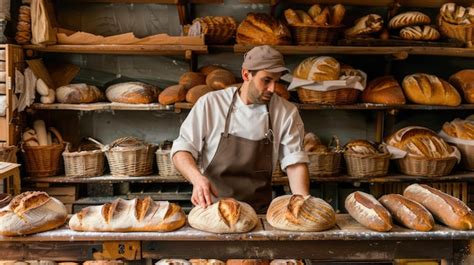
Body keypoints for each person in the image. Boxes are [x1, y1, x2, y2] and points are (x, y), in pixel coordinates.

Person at [171, 45, 310, 213]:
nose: (272, 89)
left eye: (277, 81)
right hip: (212, 211)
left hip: (258, 214)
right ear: (246, 74)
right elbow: (181, 150)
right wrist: (197, 180)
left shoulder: (285, 112)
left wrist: (303, 204)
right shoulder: (212, 104)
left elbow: (295, 163)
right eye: (266, 80)